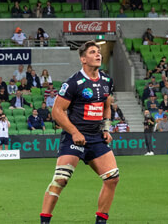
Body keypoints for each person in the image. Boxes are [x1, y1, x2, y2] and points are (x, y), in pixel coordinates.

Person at [40, 41, 119, 224]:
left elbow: (107, 106)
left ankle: (100, 222)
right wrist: (74, 132)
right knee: (61, 180)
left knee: (112, 178)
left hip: (96, 137)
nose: (98, 54)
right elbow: (57, 111)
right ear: (83, 59)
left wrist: (106, 129)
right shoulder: (73, 82)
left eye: (98, 52)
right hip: (74, 137)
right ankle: (44, 222)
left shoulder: (106, 80)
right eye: (93, 52)